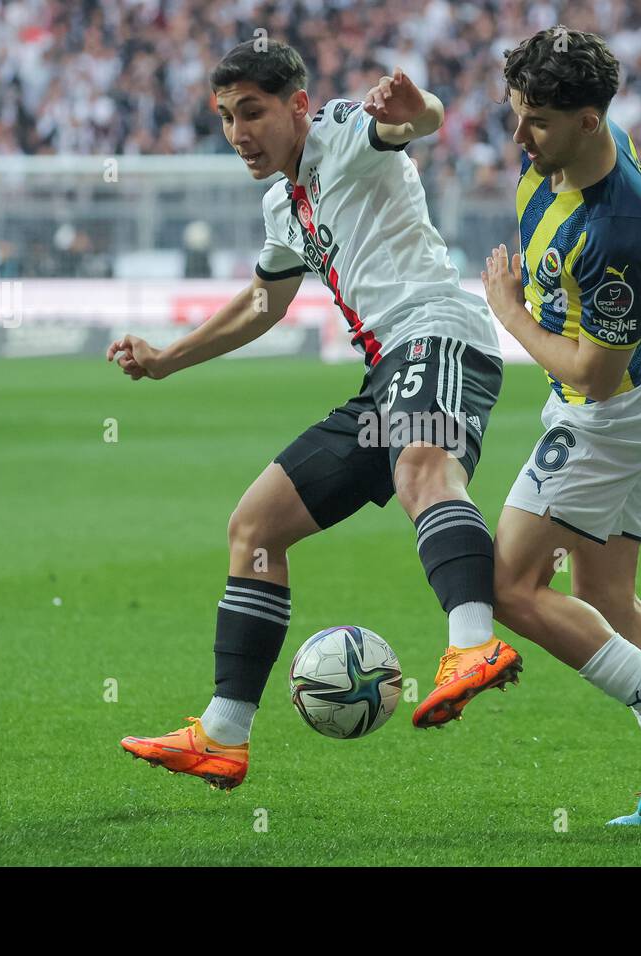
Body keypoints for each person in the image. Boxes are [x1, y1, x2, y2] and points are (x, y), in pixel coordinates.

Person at [107, 40, 519, 790]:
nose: (239, 133)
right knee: (256, 528)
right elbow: (265, 303)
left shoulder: (337, 131)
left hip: (437, 336)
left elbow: (413, 121)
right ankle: (224, 734)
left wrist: (415, 105)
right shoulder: (280, 204)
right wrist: (167, 358)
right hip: (383, 379)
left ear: (296, 106)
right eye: (228, 117)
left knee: (423, 468)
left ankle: (474, 642)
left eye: (254, 112)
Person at [478, 27, 641, 824]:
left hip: (609, 409)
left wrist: (508, 312)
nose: (519, 137)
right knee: (607, 595)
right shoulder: (565, 151)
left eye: (538, 121)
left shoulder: (619, 232)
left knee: (510, 587)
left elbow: (593, 372)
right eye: (515, 114)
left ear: (591, 121)